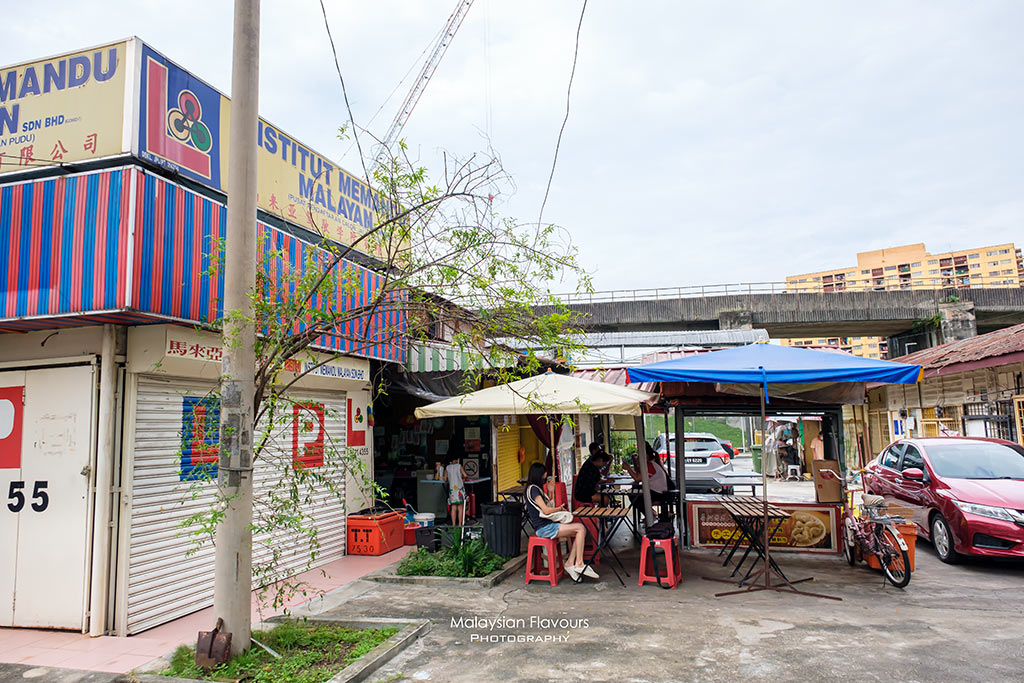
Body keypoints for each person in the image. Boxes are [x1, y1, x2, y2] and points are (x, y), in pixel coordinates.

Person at [525, 462, 596, 581]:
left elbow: (545, 508)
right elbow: (547, 511)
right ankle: (578, 563)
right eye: (544, 475)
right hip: (544, 528)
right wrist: (560, 508)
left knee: (579, 532)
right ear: (539, 475)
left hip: (546, 526)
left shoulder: (534, 489)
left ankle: (570, 563)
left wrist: (550, 492)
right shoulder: (533, 490)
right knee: (580, 528)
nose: (545, 477)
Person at [623, 443, 673, 521]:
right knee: (634, 491)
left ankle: (650, 515)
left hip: (659, 492)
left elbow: (637, 478)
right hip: (656, 490)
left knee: (635, 497)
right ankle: (650, 513)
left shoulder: (650, 465)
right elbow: (639, 474)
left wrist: (628, 468)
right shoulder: (651, 463)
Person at [442, 454, 467, 526]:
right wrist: (462, 479)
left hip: (452, 490)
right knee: (460, 507)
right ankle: (460, 524)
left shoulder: (447, 468)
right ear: (456, 460)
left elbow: (445, 479)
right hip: (459, 489)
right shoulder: (459, 466)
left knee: (453, 507)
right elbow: (465, 475)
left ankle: (453, 524)